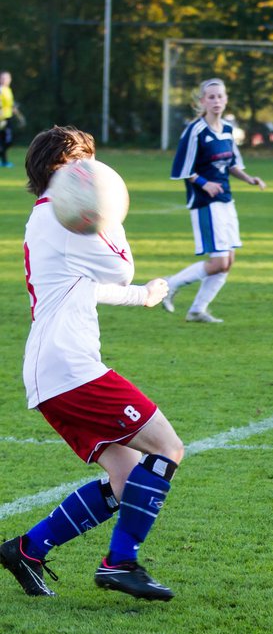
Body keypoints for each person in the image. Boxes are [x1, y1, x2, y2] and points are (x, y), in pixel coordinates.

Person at [1, 126, 184, 601]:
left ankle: (27, 548)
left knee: (127, 476)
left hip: (55, 369)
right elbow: (121, 264)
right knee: (167, 448)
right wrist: (107, 212)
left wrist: (142, 296)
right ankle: (119, 563)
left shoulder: (48, 218)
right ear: (63, 170)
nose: (91, 173)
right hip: (70, 368)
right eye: (83, 165)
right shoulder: (62, 217)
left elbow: (87, 283)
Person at [160, 78, 266, 323]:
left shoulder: (228, 129)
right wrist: (204, 183)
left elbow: (232, 163)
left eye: (220, 96)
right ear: (202, 101)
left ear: (226, 99)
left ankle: (197, 310)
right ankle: (169, 285)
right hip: (205, 203)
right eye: (211, 97)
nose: (216, 101)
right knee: (218, 261)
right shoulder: (195, 130)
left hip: (226, 200)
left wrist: (249, 179)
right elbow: (182, 168)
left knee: (227, 262)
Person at [0, 70, 26, 168]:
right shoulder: (0, 90)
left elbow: (11, 106)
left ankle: (3, 162)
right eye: (2, 78)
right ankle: (4, 162)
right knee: (4, 141)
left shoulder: (8, 90)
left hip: (8, 118)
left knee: (7, 142)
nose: (4, 80)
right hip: (2, 120)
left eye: (6, 78)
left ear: (10, 79)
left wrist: (20, 117)